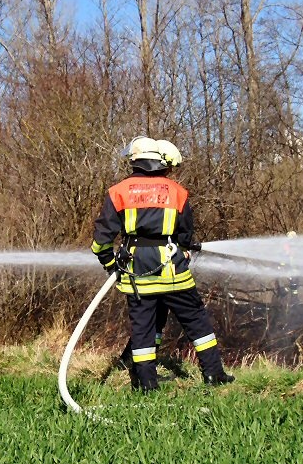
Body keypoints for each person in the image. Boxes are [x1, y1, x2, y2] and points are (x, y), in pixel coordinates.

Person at [92, 137, 235, 391]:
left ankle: (147, 384)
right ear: (159, 162)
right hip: (173, 270)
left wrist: (111, 264)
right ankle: (213, 373)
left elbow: (101, 240)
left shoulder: (119, 191)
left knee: (143, 329)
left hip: (137, 272)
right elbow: (185, 235)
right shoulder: (177, 192)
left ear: (135, 161)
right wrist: (185, 250)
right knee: (196, 321)